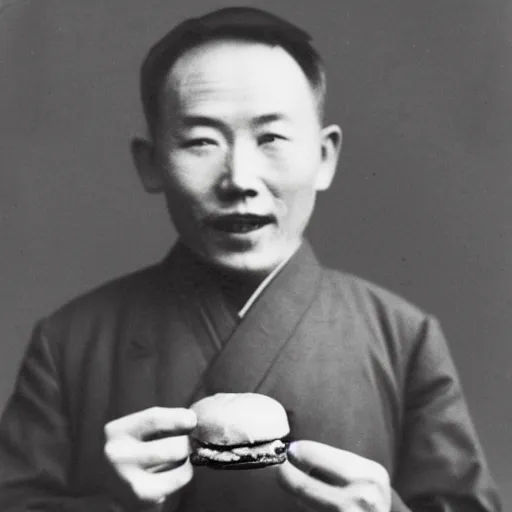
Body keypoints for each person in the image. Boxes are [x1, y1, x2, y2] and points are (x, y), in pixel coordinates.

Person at [0, 6, 501, 512]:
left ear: (325, 156)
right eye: (201, 141)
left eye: (271, 138)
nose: (239, 178)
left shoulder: (404, 339)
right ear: (150, 163)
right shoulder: (69, 342)